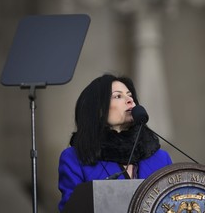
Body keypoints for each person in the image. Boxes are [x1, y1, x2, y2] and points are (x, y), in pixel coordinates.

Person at [58, 74, 172, 211]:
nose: (130, 100)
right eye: (118, 96)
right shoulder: (75, 158)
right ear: (98, 110)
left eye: (130, 95)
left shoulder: (160, 158)